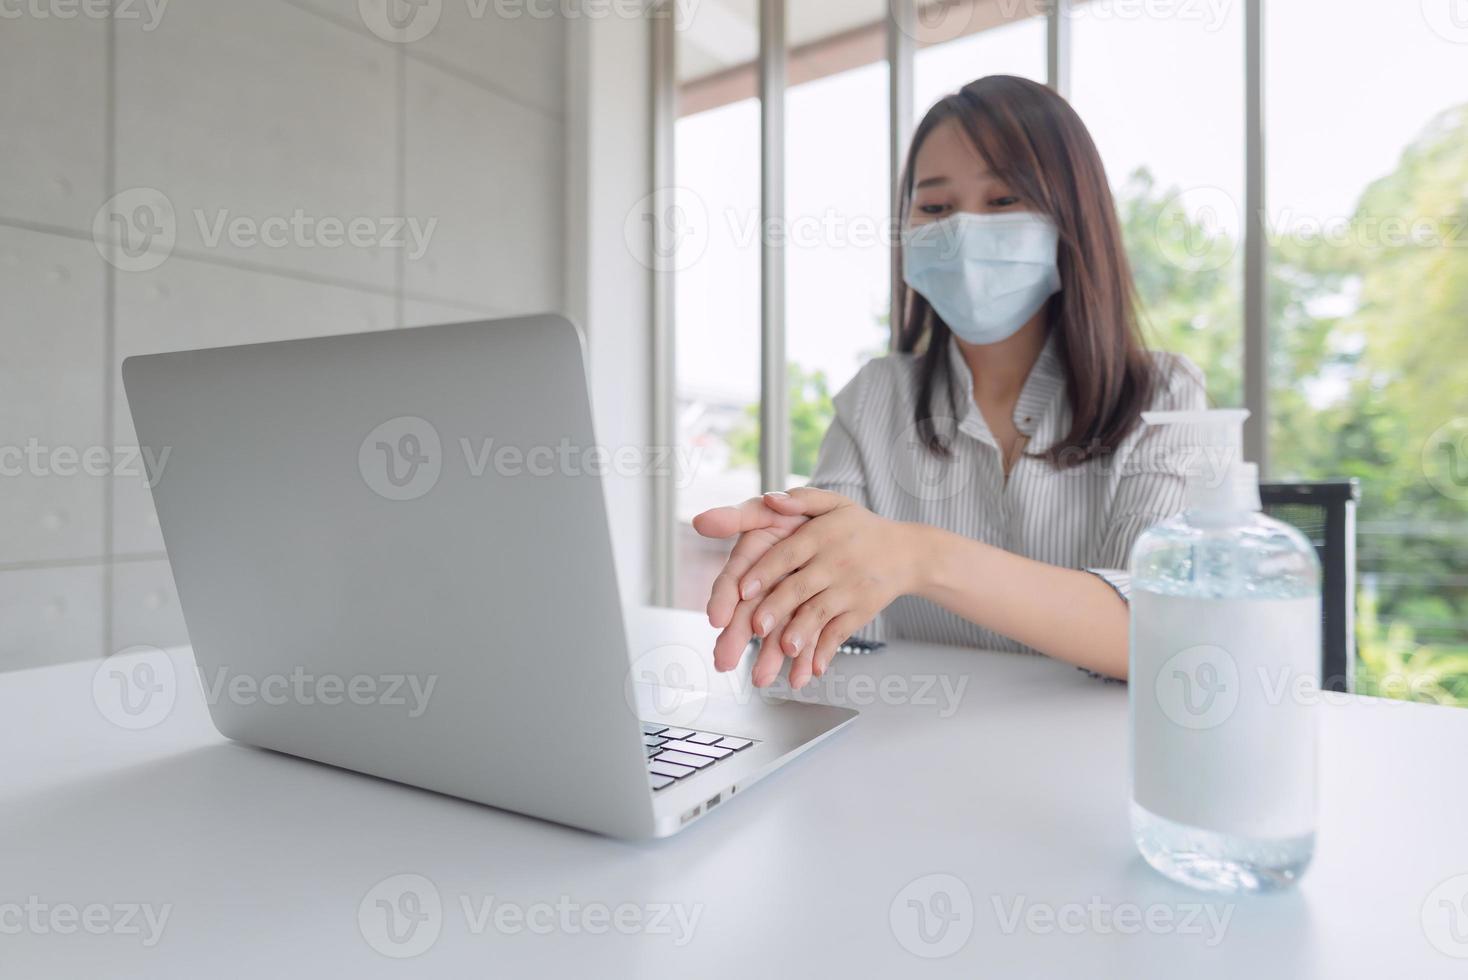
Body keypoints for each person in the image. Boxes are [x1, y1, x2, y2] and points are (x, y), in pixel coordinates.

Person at [693, 75, 1207, 690]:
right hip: (919, 753)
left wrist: (920, 557)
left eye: (1002, 201)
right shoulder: (876, 398)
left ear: (1074, 216)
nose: (963, 232)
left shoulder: (1166, 397)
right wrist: (792, 568)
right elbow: (836, 618)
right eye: (935, 208)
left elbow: (1160, 631)